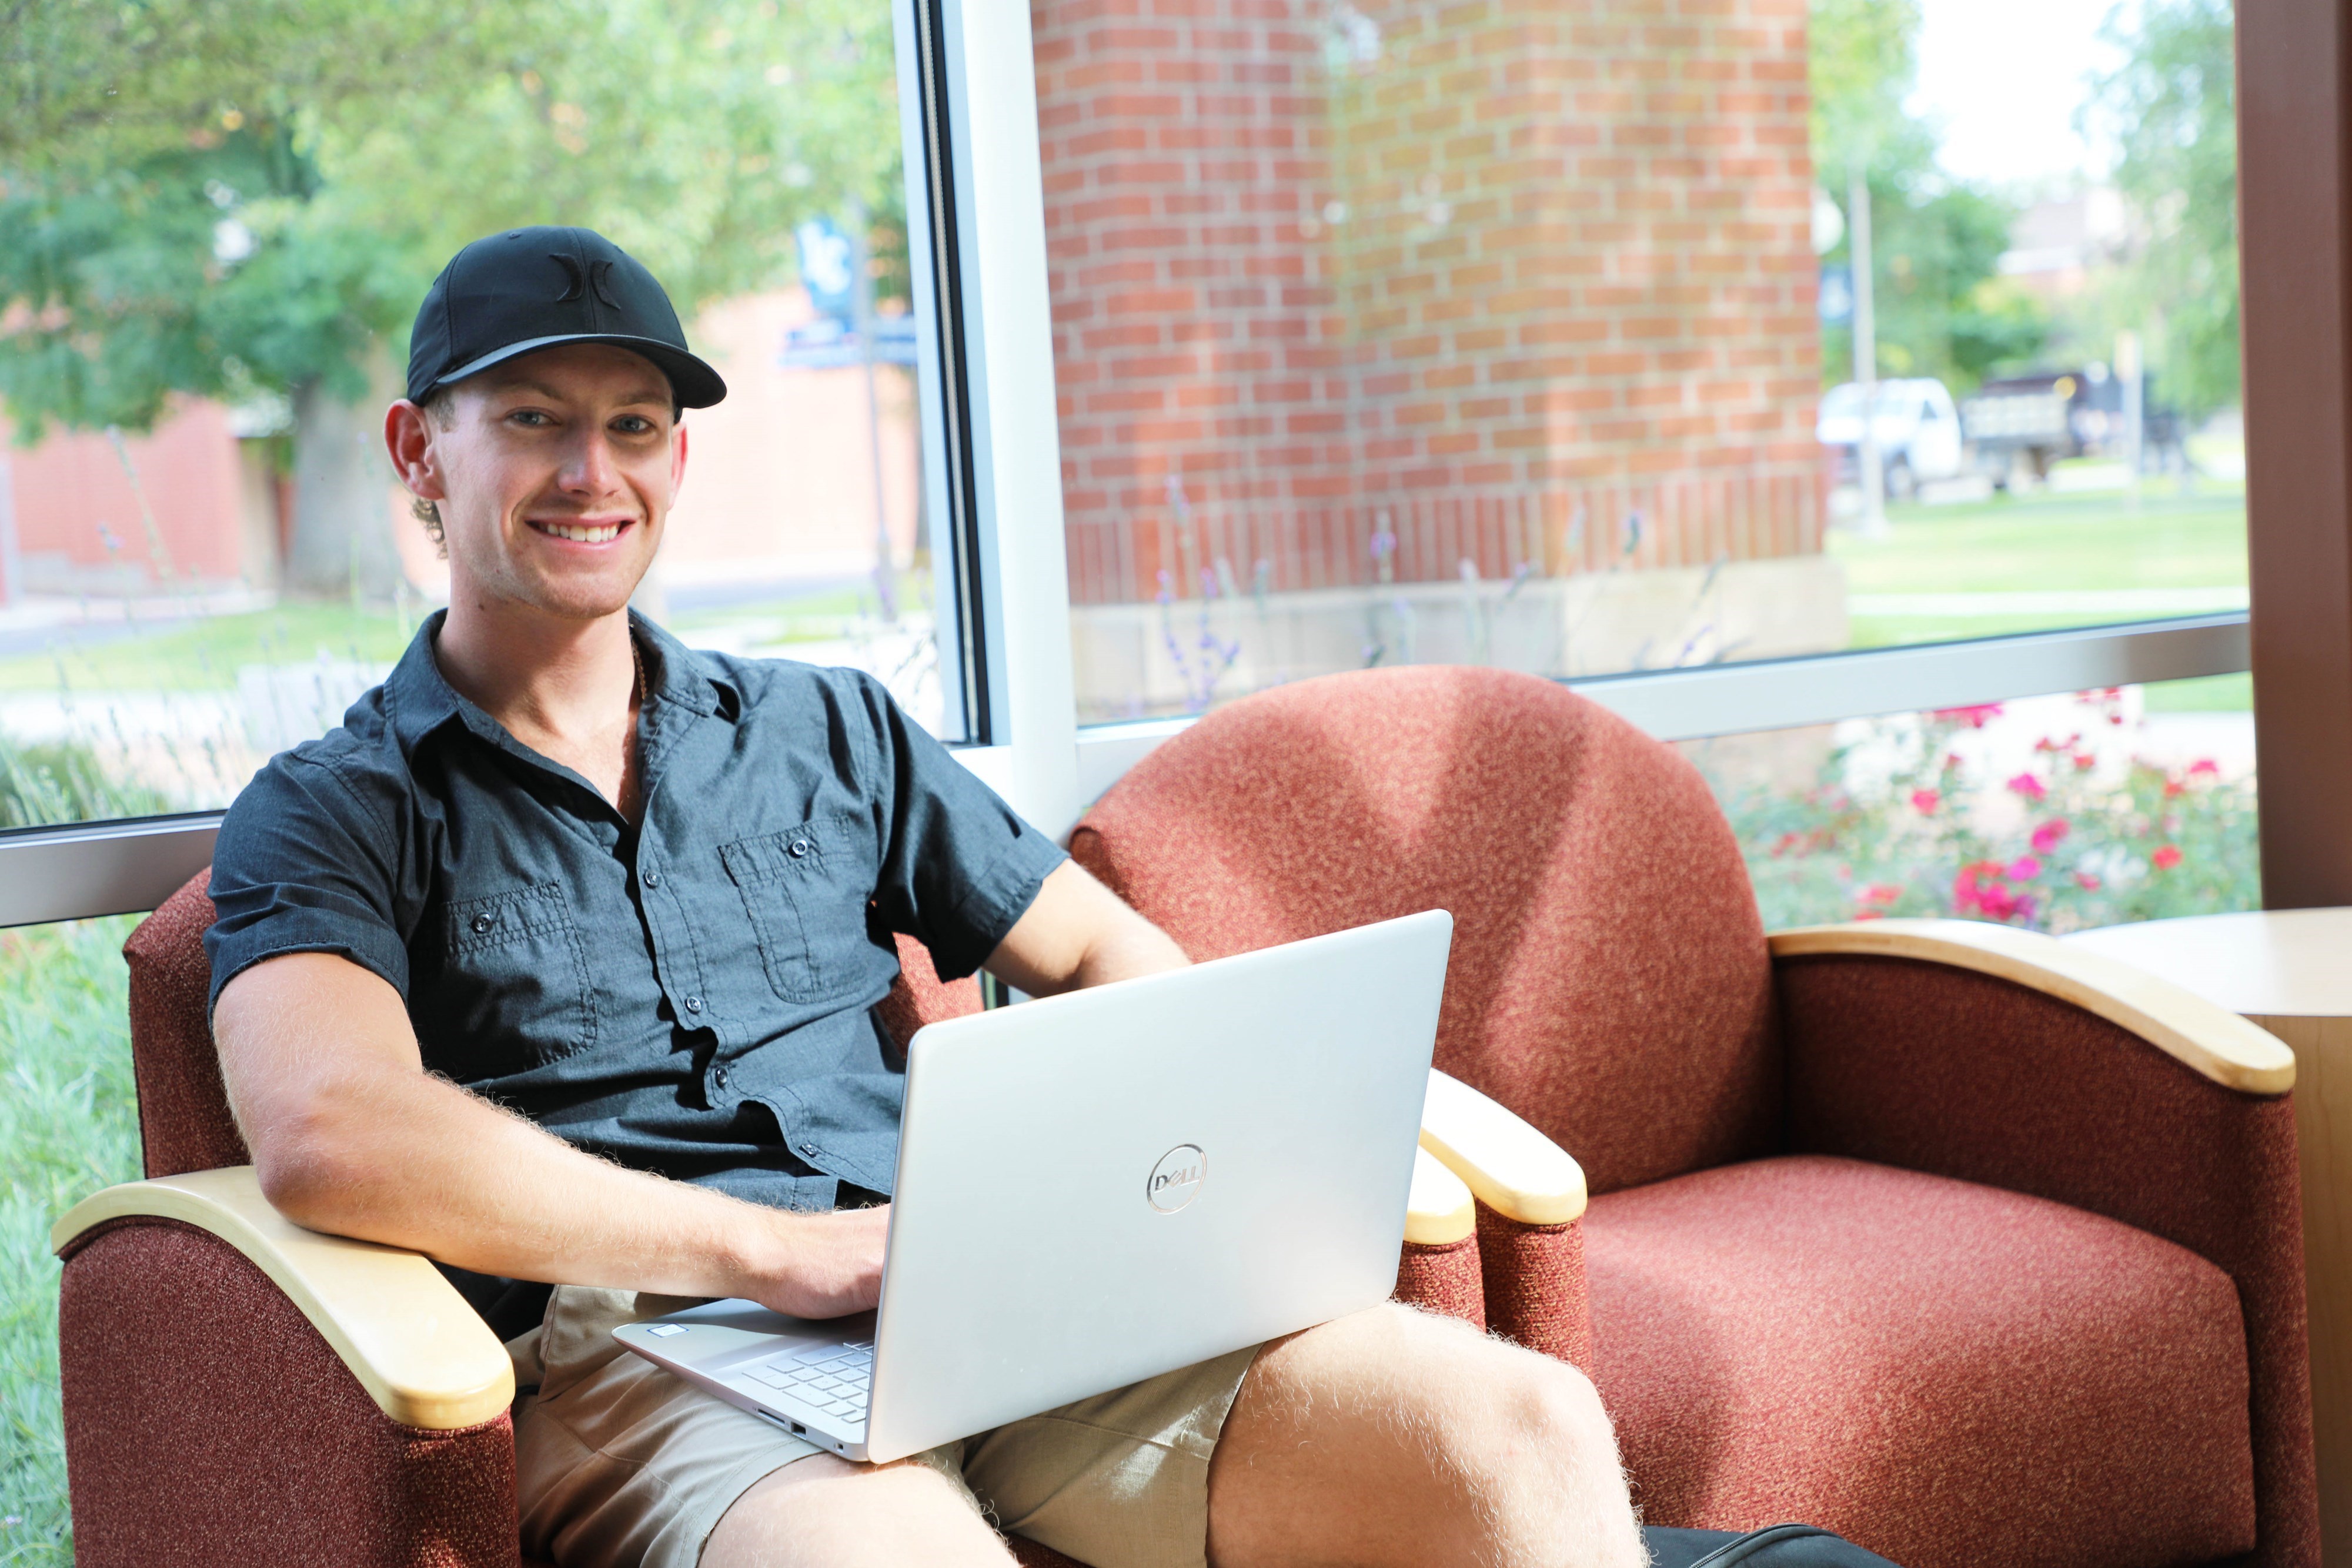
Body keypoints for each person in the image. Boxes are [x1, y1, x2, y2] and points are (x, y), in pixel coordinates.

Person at [205, 226, 1645, 1568]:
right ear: (418, 450)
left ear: (676, 458)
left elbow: (1099, 947)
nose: (592, 470)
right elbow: (331, 1128)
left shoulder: (828, 730)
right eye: (532, 418)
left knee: (1518, 1428)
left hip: (965, 1289)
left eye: (632, 425)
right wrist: (776, 1252)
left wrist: (1114, 1192)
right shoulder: (333, 805)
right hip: (646, 1351)